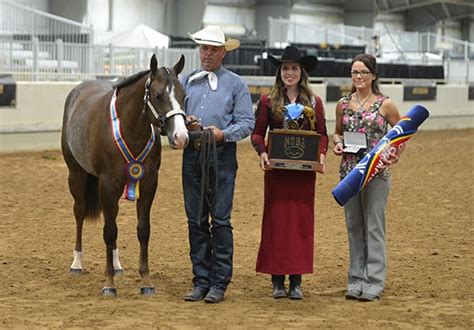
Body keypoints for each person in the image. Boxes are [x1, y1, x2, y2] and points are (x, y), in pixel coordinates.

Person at [180, 25, 254, 304]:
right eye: (203, 48)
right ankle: (200, 280)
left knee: (220, 220)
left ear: (223, 52)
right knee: (195, 219)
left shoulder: (235, 83)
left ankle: (218, 282)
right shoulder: (187, 81)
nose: (207, 54)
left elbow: (246, 122)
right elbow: (171, 120)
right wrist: (185, 123)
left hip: (221, 155)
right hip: (193, 153)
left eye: (213, 49)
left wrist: (224, 134)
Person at [251, 46, 328, 300]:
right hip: (277, 173)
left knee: (300, 224)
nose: (290, 72)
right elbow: (257, 133)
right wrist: (262, 152)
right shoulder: (268, 100)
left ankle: (296, 281)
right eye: (285, 68)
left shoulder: (314, 102)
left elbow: (323, 136)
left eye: (294, 68)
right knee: (276, 223)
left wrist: (322, 155)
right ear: (279, 72)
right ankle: (276, 280)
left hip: (303, 175)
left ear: (302, 72)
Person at [332, 53, 403, 302]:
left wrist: (394, 154)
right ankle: (355, 279)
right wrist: (337, 144)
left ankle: (374, 281)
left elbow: (400, 134)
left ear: (373, 75)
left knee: (374, 227)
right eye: (354, 72)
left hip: (376, 174)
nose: (358, 77)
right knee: (354, 227)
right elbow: (338, 133)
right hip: (350, 174)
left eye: (363, 72)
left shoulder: (385, 104)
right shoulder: (342, 104)